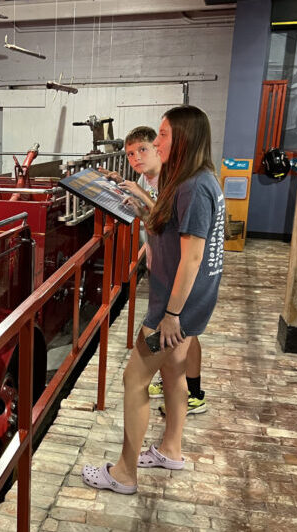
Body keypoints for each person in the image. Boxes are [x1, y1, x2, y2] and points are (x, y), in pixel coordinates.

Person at [82, 105, 225, 494]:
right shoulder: (196, 179)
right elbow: (174, 229)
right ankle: (171, 449)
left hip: (174, 306)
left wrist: (172, 315)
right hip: (188, 302)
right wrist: (142, 205)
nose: (157, 142)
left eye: (163, 135)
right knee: (174, 372)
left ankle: (124, 473)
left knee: (134, 379)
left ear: (184, 139)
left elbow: (193, 256)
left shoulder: (195, 186)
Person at [115, 127, 209, 415]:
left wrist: (140, 193)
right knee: (184, 336)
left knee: (176, 335)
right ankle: (182, 389)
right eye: (130, 154)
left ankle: (190, 396)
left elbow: (174, 219)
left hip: (181, 271)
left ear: (157, 148)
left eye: (142, 150)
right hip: (163, 267)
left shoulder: (177, 181)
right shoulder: (148, 179)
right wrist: (133, 199)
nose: (136, 158)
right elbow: (155, 222)